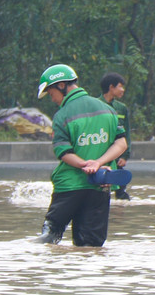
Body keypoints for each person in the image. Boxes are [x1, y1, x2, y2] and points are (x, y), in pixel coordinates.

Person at [35, 64, 128, 246]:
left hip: (69, 185)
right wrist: (98, 164)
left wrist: (85, 165)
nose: (52, 99)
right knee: (90, 247)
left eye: (51, 93)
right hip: (100, 184)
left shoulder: (62, 115)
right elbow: (121, 143)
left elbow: (64, 152)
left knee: (49, 238)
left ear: (61, 85)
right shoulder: (107, 109)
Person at [99, 72, 131, 200]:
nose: (122, 90)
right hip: (100, 153)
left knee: (121, 192)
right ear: (111, 87)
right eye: (120, 86)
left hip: (118, 154)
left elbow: (126, 133)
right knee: (101, 188)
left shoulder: (121, 108)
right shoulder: (96, 105)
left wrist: (125, 155)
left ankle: (120, 210)